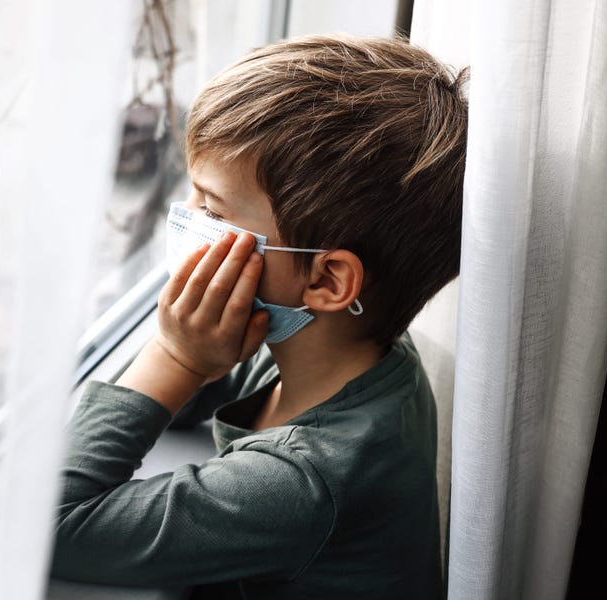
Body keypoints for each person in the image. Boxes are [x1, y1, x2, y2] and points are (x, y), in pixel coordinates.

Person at [51, 34, 467, 599]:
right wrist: (195, 352)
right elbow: (187, 401)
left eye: (212, 209)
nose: (186, 217)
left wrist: (174, 354)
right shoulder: (353, 354)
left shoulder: (302, 481)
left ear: (325, 281)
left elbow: (51, 525)